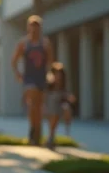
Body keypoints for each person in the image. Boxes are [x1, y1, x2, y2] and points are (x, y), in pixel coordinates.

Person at [11, 15, 53, 145]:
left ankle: (37, 132)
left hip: (41, 77)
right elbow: (14, 60)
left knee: (39, 106)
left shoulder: (45, 43)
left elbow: (50, 61)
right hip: (29, 78)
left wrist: (50, 74)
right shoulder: (23, 44)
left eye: (37, 27)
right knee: (32, 104)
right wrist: (18, 74)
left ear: (40, 28)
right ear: (28, 28)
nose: (34, 30)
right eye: (32, 27)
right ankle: (32, 129)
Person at [44, 63, 77, 148]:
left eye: (60, 75)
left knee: (64, 108)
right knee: (53, 110)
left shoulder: (63, 87)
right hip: (49, 108)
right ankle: (51, 137)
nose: (58, 77)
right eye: (57, 74)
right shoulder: (48, 85)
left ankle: (53, 137)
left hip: (57, 109)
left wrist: (69, 97)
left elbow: (68, 96)